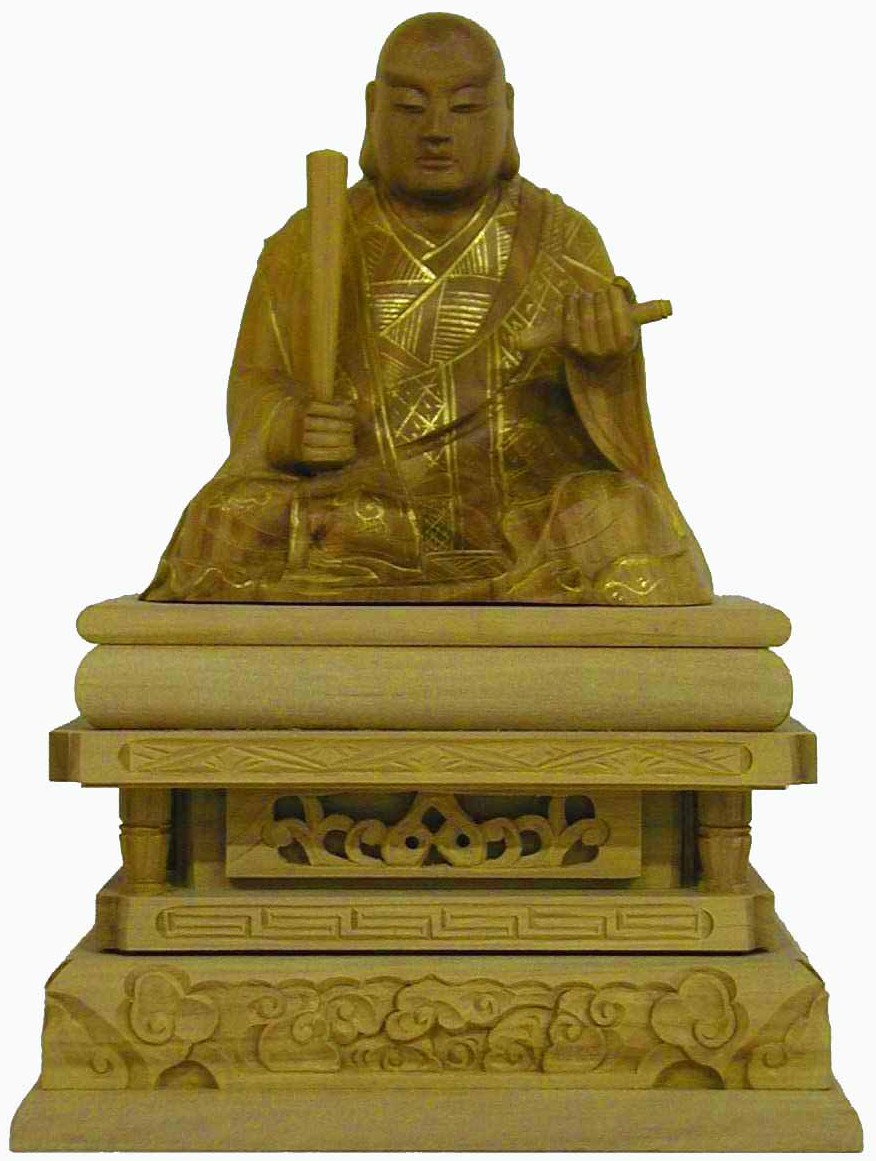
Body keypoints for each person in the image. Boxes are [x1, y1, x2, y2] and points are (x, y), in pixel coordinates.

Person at [144, 13, 712, 605]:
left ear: (505, 111)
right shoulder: (307, 243)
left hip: (516, 515)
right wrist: (289, 427)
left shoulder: (563, 238)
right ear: (373, 110)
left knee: (623, 513)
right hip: (359, 508)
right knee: (224, 520)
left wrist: (604, 363)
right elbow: (255, 382)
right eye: (410, 108)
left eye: (464, 108)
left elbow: (611, 439)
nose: (436, 130)